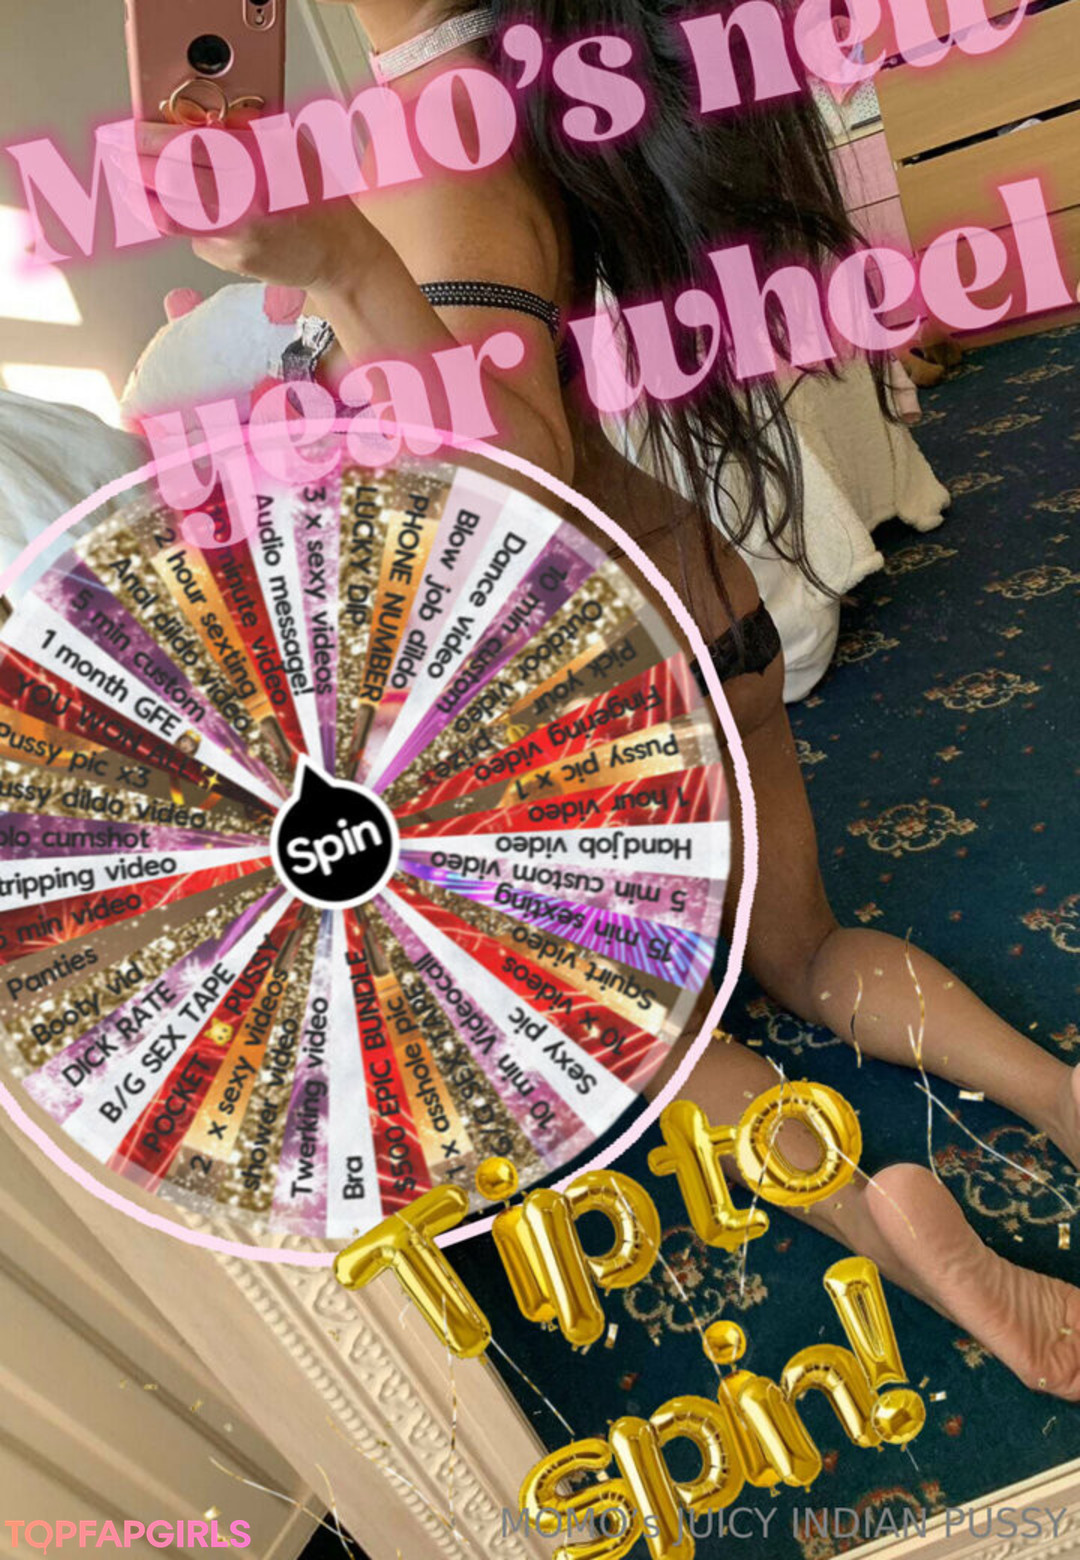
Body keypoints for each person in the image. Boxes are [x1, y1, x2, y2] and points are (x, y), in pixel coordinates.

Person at [131, 0, 1080, 1400]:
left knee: (648, 1039)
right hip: (687, 588)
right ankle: (1058, 1094)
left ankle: (914, 1250)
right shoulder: (558, 78)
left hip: (563, 662)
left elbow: (511, 462)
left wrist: (339, 266)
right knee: (809, 951)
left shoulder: (437, 132)